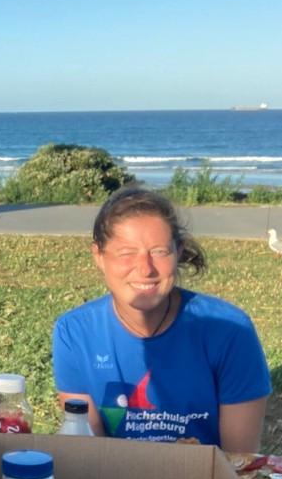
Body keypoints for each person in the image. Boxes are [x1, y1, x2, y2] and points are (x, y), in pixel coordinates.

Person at [52, 186, 270, 453]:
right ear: (99, 256)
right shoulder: (74, 332)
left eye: (159, 252)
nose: (145, 269)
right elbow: (88, 454)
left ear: (178, 252)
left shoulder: (230, 331)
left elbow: (239, 460)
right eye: (126, 253)